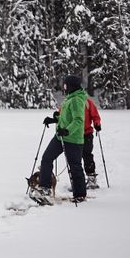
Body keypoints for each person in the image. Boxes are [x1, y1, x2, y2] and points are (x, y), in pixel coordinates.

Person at [37, 74, 88, 203]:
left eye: (65, 85)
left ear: (71, 86)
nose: (64, 87)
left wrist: (67, 131)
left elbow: (78, 120)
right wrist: (54, 119)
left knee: (74, 166)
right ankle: (45, 187)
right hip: (60, 137)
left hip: (72, 139)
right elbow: (66, 118)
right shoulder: (69, 98)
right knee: (46, 158)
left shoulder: (77, 100)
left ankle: (80, 194)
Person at [83, 93, 102, 189]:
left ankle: (91, 178)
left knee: (87, 155)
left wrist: (97, 124)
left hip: (87, 134)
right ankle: (78, 180)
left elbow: (95, 116)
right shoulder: (68, 101)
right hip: (73, 135)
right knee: (74, 158)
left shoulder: (87, 102)